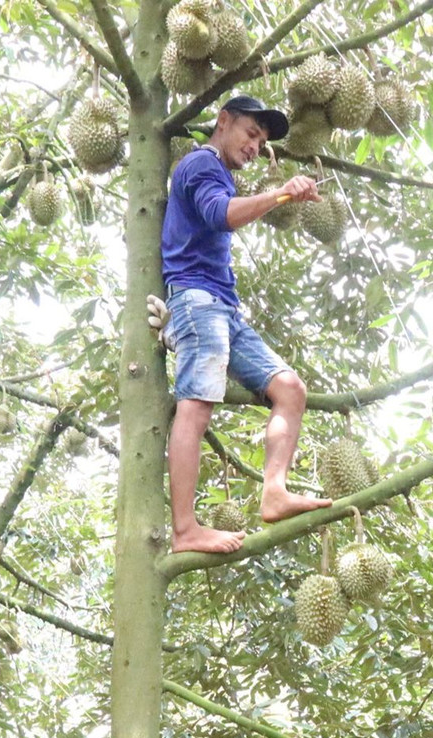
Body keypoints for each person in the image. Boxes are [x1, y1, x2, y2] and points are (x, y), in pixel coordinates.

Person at [158, 94, 331, 554]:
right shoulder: (201, 164)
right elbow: (222, 215)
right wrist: (282, 193)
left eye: (261, 141)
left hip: (224, 308)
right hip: (197, 301)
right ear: (223, 121)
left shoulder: (219, 173)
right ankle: (185, 529)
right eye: (251, 134)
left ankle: (274, 491)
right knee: (197, 403)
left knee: (290, 390)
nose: (255, 147)